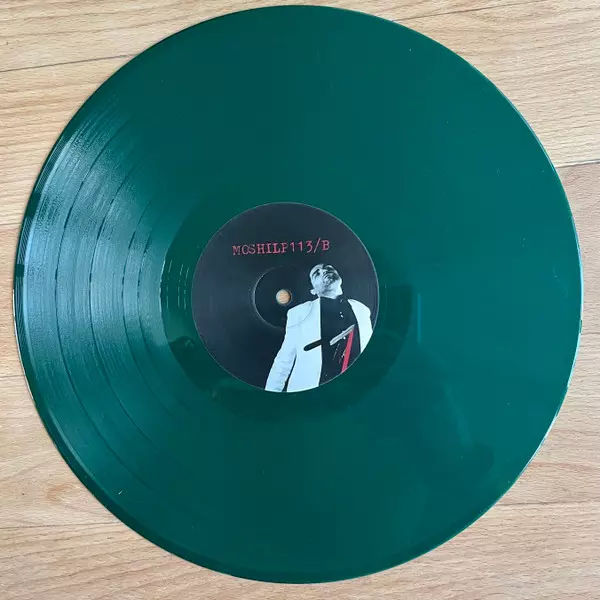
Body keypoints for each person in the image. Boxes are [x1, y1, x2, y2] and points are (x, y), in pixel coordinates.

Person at [265, 264, 373, 392]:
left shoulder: (361, 309)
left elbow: (370, 353)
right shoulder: (298, 313)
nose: (324, 271)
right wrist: (271, 395)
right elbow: (284, 359)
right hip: (311, 394)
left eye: (329, 268)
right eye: (317, 273)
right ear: (313, 290)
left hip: (352, 390)